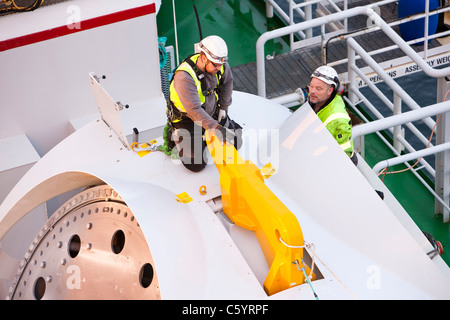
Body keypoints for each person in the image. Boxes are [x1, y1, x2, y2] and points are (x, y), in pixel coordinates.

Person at [165, 35, 242, 172]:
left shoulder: (219, 63)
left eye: (221, 64)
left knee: (236, 140)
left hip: (211, 113)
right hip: (187, 119)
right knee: (196, 164)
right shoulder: (184, 77)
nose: (219, 68)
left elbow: (228, 82)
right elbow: (194, 110)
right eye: (215, 64)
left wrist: (223, 108)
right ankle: (176, 134)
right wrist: (216, 128)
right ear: (204, 57)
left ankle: (204, 137)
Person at [308, 65, 358, 166]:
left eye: (318, 88)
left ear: (330, 91)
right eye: (311, 86)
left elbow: (344, 153)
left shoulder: (338, 118)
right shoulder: (316, 100)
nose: (312, 91)